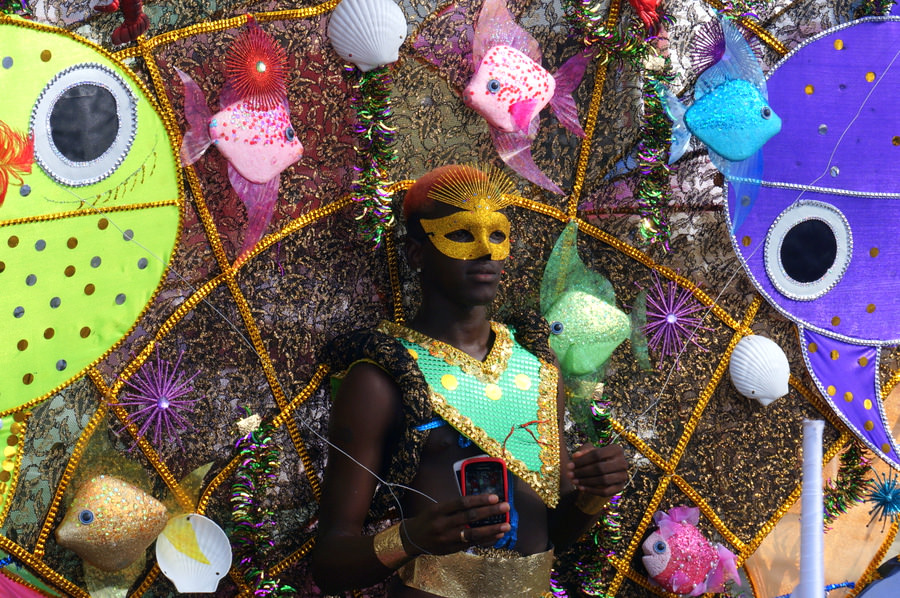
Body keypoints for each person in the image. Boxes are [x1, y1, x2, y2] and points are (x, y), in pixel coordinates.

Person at [312, 164, 629, 597]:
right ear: (417, 254)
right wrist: (410, 539)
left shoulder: (537, 367)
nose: (485, 252)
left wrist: (594, 493)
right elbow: (330, 565)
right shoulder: (379, 380)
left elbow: (554, 534)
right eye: (460, 234)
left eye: (496, 235)